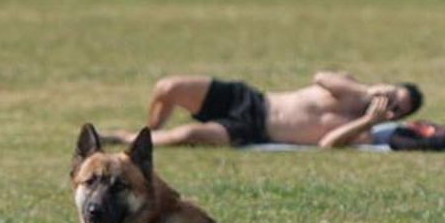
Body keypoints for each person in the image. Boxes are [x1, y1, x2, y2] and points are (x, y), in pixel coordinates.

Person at [101, 71, 424, 149]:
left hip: (253, 130)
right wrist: (368, 92)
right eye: (394, 95)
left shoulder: (364, 131)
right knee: (167, 88)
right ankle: (150, 131)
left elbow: (329, 145)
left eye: (398, 109)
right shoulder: (351, 88)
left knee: (187, 135)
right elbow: (320, 76)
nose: (391, 105)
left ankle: (131, 140)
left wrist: (369, 120)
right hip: (251, 101)